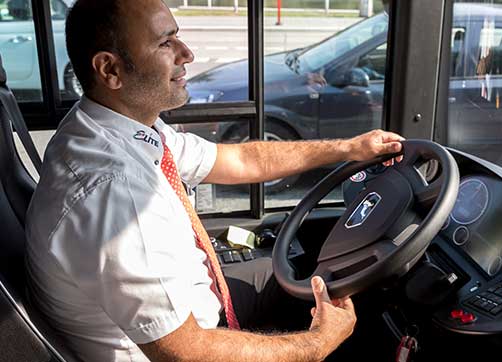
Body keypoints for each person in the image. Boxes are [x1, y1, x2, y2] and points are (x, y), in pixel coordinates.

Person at [25, 0, 405, 361]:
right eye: (165, 43)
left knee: (312, 274)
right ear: (110, 70)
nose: (186, 53)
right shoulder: (113, 192)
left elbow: (239, 159)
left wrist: (350, 148)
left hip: (199, 301)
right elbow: (184, 352)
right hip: (187, 344)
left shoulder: (120, 125)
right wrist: (317, 345)